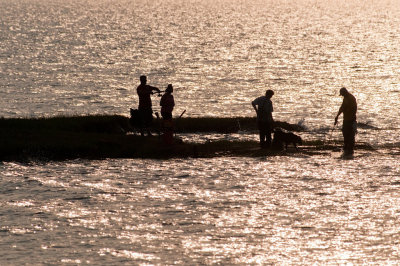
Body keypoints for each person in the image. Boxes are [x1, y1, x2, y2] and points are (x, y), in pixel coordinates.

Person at [334, 87, 357, 156]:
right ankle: (346, 147)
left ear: (345, 92)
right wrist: (337, 116)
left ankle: (350, 149)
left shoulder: (351, 98)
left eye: (342, 94)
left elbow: (354, 109)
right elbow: (342, 107)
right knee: (344, 132)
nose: (342, 95)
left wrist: (348, 111)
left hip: (351, 120)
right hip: (346, 119)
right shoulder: (345, 98)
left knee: (351, 135)